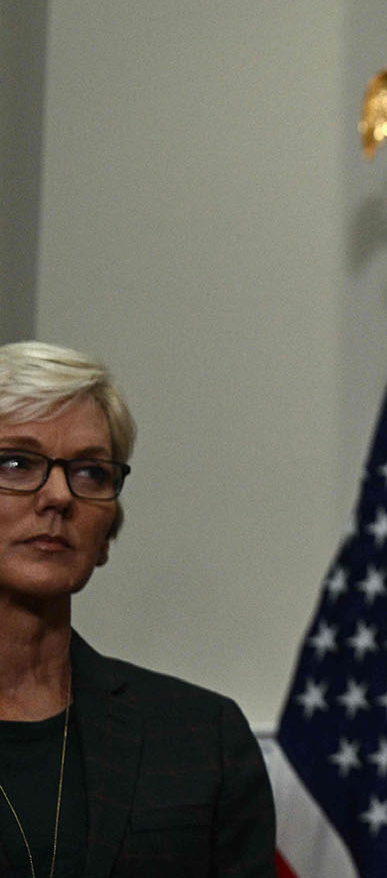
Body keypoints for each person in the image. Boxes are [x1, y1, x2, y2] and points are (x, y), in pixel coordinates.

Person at [0, 341, 274, 878]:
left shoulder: (203, 739)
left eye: (90, 473)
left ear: (106, 535)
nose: (59, 496)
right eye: (16, 462)